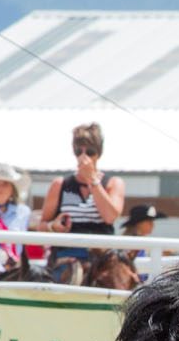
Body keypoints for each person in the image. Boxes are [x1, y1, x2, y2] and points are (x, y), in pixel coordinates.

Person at [40, 122, 126, 284]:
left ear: (99, 154)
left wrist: (92, 180)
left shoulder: (113, 183)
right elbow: (42, 225)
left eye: (90, 152)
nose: (84, 157)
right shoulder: (60, 185)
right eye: (79, 151)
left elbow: (109, 216)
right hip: (67, 255)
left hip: (102, 257)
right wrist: (53, 226)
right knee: (72, 276)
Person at [117, 202, 166, 280]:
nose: (153, 225)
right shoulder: (132, 244)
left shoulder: (132, 241)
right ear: (140, 223)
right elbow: (142, 273)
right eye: (150, 222)